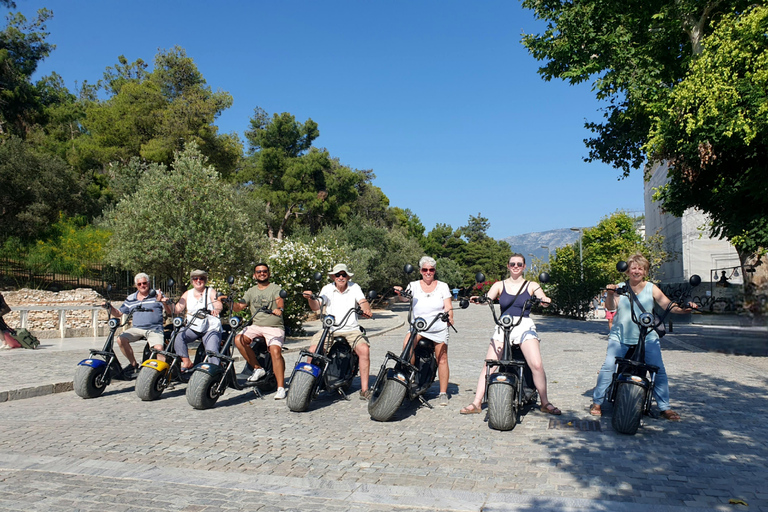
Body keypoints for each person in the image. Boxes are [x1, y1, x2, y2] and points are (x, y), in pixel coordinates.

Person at [590, 253, 696, 421]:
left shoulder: (651, 287)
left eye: (640, 268)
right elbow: (610, 307)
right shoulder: (620, 287)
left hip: (647, 337)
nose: (636, 271)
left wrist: (685, 309)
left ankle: (664, 407)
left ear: (645, 271)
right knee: (609, 366)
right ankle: (597, 402)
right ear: (627, 271)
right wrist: (610, 294)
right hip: (620, 336)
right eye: (633, 268)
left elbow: (667, 304)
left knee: (658, 370)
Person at [460, 253, 560, 415]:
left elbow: (542, 298)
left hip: (524, 325)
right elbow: (488, 299)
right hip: (504, 324)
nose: (515, 267)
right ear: (508, 266)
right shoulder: (500, 285)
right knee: (489, 364)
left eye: (519, 264)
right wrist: (480, 299)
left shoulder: (531, 285)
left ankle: (544, 402)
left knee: (536, 364)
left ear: (524, 267)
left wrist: (544, 300)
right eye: (512, 264)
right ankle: (477, 402)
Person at [302, 263, 373, 399]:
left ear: (347, 276)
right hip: (330, 329)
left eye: (343, 274)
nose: (341, 277)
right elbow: (317, 306)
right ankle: (306, 385)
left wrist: (366, 309)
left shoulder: (354, 287)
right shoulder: (327, 289)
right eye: (338, 275)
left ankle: (364, 389)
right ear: (333, 276)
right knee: (312, 351)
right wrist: (310, 298)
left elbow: (362, 301)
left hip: (351, 329)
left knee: (364, 350)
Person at [393, 256, 454, 406]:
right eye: (425, 269)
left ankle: (443, 392)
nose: (428, 272)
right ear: (420, 270)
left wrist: (450, 317)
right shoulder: (413, 285)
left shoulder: (442, 286)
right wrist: (400, 293)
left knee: (442, 357)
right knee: (407, 346)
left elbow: (448, 306)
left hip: (437, 325)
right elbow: (405, 299)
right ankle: (411, 378)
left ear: (434, 271)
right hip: (418, 326)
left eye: (431, 270)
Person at [233, 263, 287, 400]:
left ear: (268, 273)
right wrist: (227, 302)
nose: (261, 273)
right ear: (254, 275)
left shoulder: (275, 288)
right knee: (238, 339)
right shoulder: (251, 291)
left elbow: (280, 301)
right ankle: (258, 368)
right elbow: (239, 306)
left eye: (264, 271)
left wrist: (279, 309)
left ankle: (281, 388)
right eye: (259, 272)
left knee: (275, 351)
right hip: (256, 326)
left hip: (274, 327)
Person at [105, 273, 172, 376]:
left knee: (159, 349)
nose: (142, 286)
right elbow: (118, 313)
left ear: (149, 283)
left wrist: (163, 302)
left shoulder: (157, 294)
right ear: (136, 285)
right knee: (120, 339)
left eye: (144, 283)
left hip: (154, 329)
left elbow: (169, 312)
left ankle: (162, 375)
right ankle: (134, 365)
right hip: (136, 328)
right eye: (139, 284)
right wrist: (108, 307)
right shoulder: (131, 298)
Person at [174, 269, 223, 370]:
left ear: (205, 280)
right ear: (192, 281)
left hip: (210, 327)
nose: (198, 280)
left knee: (211, 350)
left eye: (201, 278)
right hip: (194, 327)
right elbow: (177, 309)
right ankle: (186, 362)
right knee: (178, 336)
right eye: (195, 278)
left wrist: (216, 309)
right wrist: (164, 302)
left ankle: (216, 372)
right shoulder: (188, 293)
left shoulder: (210, 291)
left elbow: (217, 303)